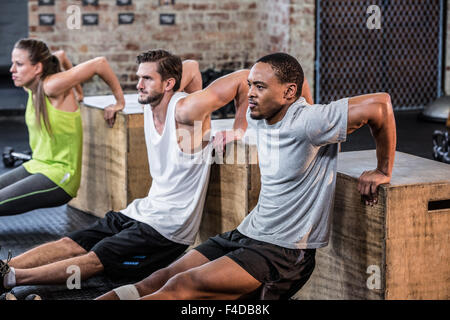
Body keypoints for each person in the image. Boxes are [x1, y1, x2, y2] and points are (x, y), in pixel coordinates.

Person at [97, 52, 396, 300]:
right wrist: (240, 128)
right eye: (251, 85)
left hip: (283, 251)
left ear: (289, 92)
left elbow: (380, 105)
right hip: (247, 233)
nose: (250, 93)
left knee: (180, 287)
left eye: (260, 87)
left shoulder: (309, 121)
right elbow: (219, 74)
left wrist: (383, 170)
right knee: (160, 277)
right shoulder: (263, 113)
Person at [0, 49, 255, 298]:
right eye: (138, 77)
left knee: (93, 259)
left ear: (167, 84)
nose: (139, 85)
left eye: (146, 79)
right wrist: (125, 100)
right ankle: (5, 268)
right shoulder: (151, 102)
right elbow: (191, 65)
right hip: (140, 210)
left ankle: (11, 279)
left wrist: (238, 129)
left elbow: (244, 77)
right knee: (70, 243)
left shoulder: (186, 110)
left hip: (166, 229)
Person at [0, 38, 125, 216]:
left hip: (59, 178)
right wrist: (79, 91)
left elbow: (100, 63)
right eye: (13, 63)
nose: (12, 70)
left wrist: (119, 102)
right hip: (37, 165)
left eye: (19, 64)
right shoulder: (31, 85)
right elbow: (60, 56)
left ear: (37, 68)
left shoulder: (51, 86)